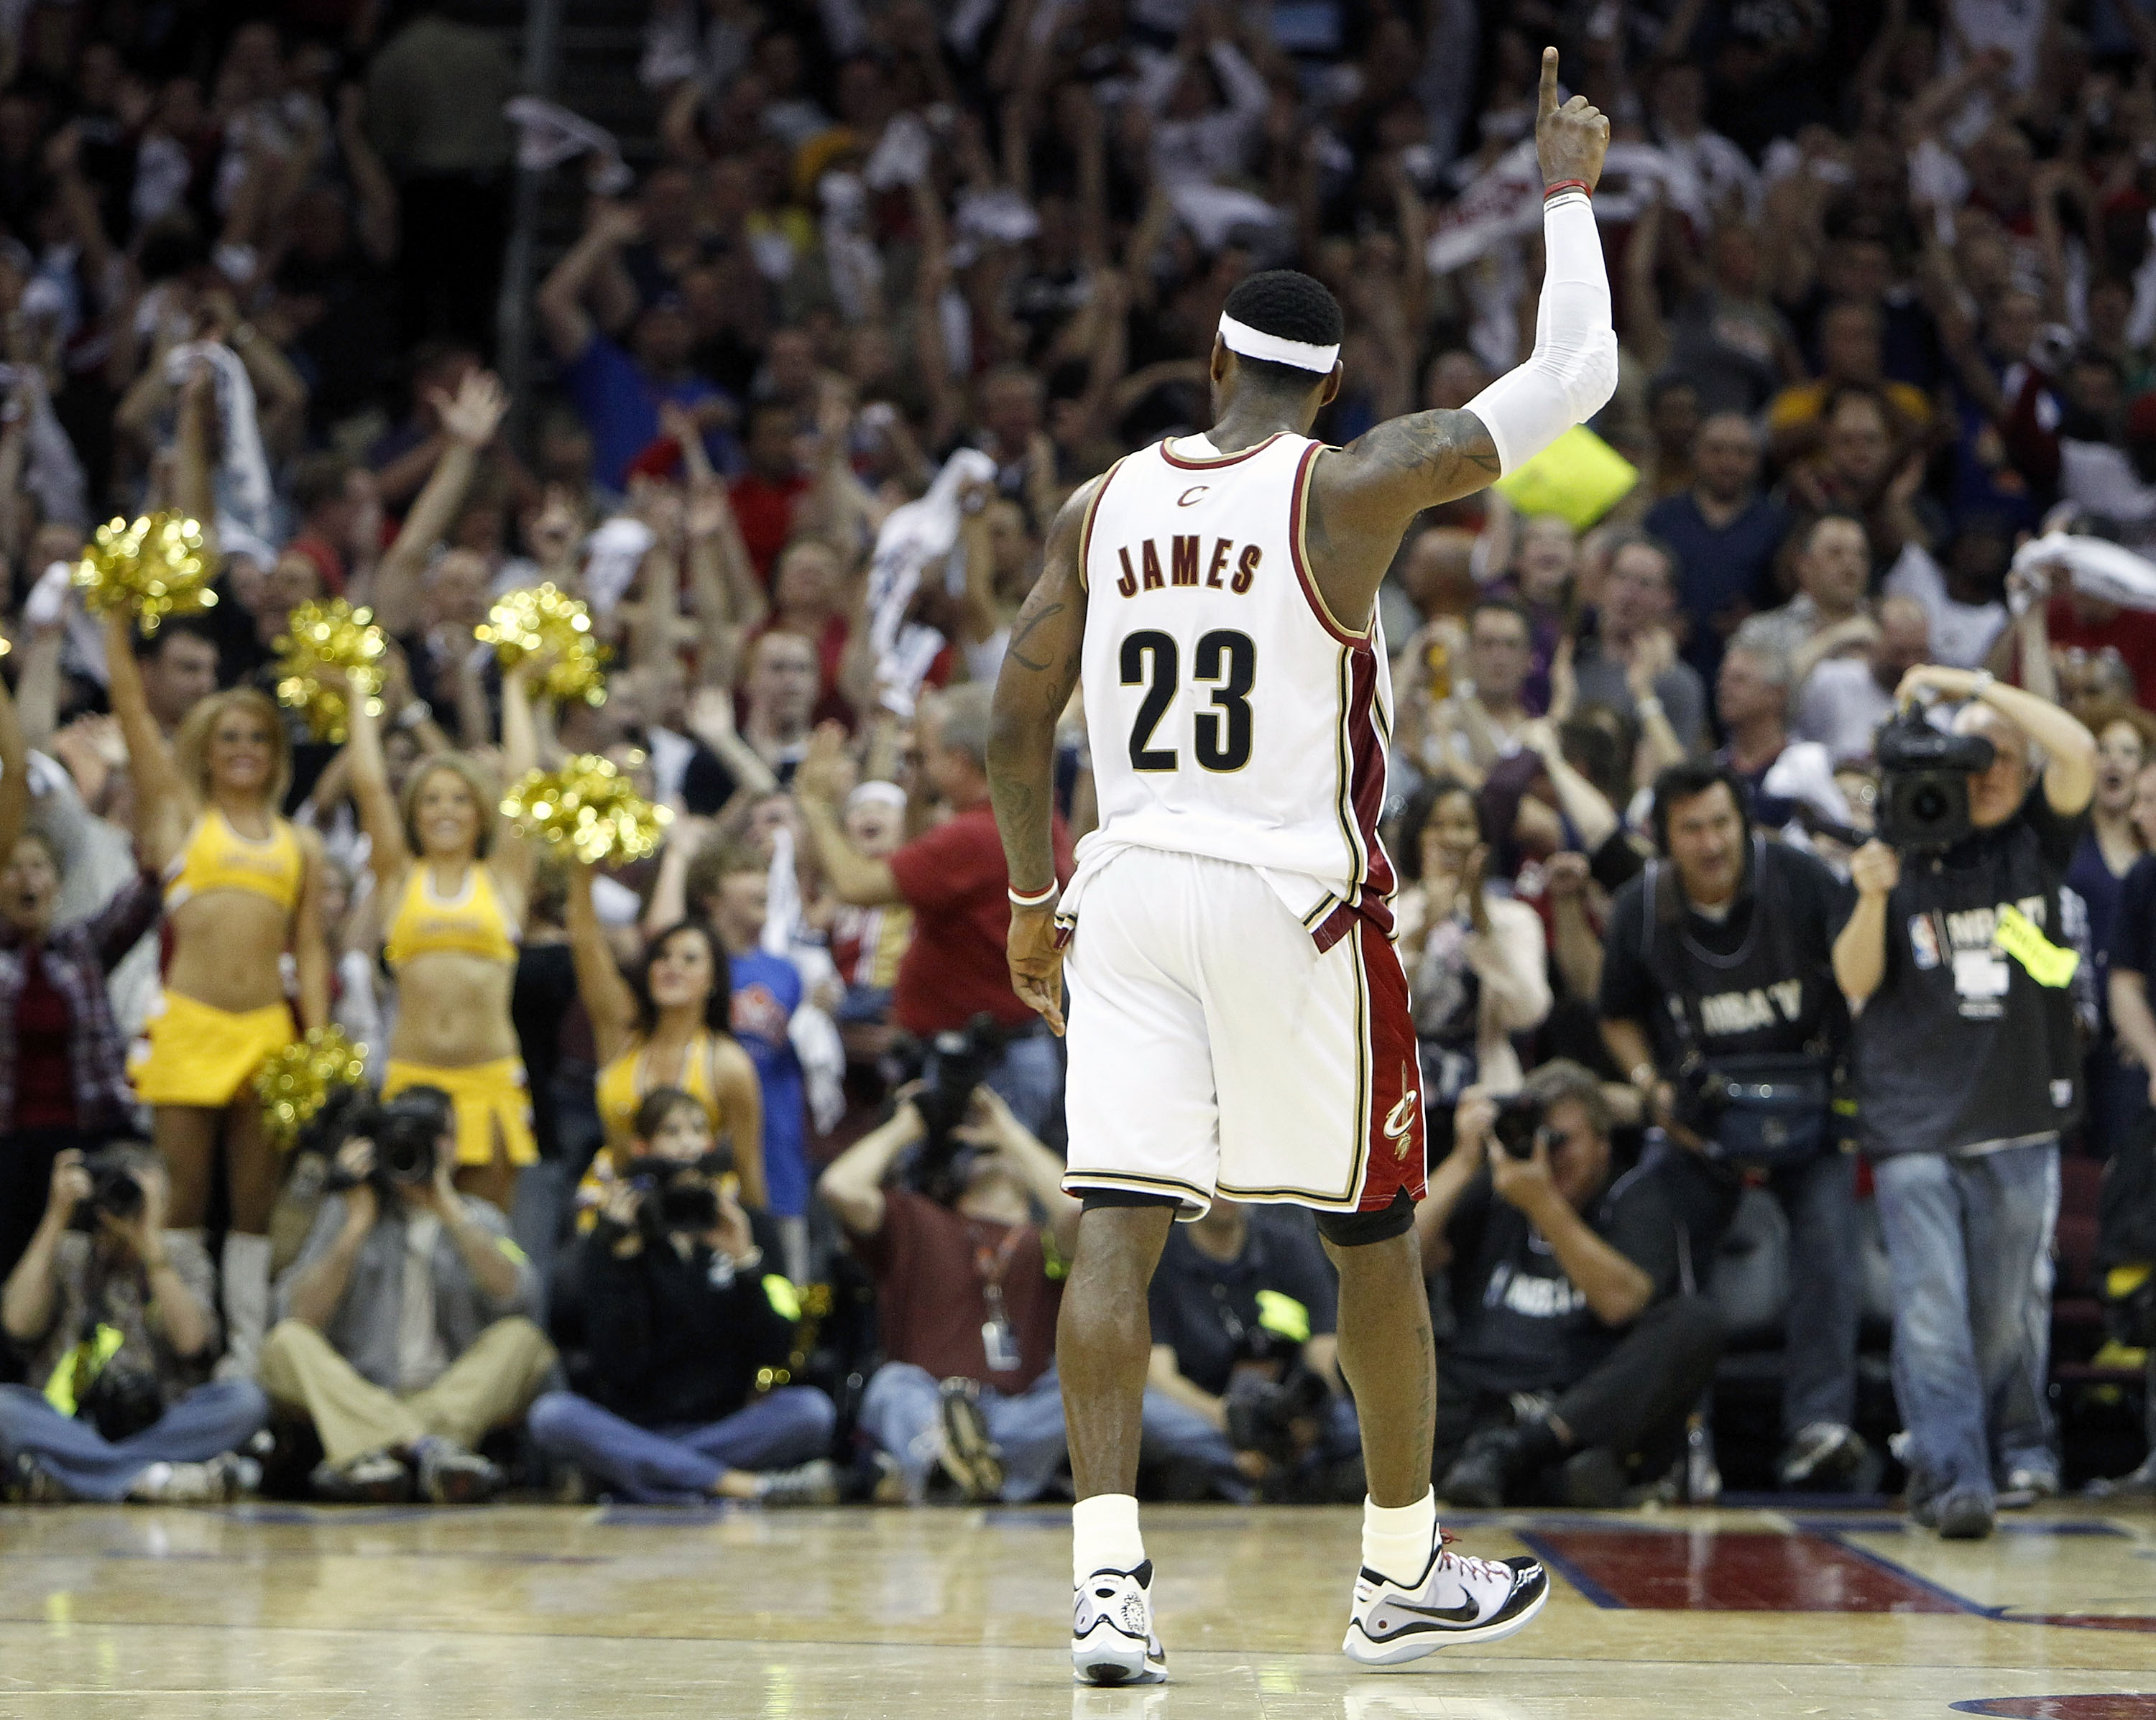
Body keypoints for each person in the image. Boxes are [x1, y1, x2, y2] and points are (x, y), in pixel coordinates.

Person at [985, 52, 1613, 1682]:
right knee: (1371, 1240)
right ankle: (1397, 1572)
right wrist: (1563, 191)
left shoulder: (1098, 502)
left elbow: (1010, 715)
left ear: (1208, 362)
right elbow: (1579, 372)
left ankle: (1107, 1589)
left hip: (1119, 893)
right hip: (1292, 902)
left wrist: (1029, 900)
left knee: (1111, 1231)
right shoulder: (1346, 489)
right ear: (1327, 391)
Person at [1833, 669, 2098, 1539]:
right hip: (1914, 1120)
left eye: (2002, 758)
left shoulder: (2038, 844)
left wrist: (1967, 685)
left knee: (1999, 1319)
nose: (1986, 773)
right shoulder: (1905, 836)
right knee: (1932, 1306)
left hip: (2018, 1117)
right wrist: (1872, 894)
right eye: (1970, 756)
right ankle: (1956, 1477)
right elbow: (1855, 983)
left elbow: (2082, 751)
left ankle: (1946, 1457)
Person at [1597, 760, 1861, 1487]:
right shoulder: (1640, 907)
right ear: (1663, 837)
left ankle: (1820, 1427)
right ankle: (1685, 1439)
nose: (1711, 843)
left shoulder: (1805, 881)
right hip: (1699, 1119)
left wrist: (1848, 1072)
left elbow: (1862, 980)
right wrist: (1650, 1086)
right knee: (1668, 1250)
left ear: (1742, 822)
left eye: (1721, 824)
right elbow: (1615, 1014)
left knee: (1829, 1244)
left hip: (1807, 1109)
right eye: (1692, 829)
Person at [106, 630, 331, 1382]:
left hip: (269, 1034)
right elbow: (136, 718)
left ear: (276, 753)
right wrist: (115, 618)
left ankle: (246, 1366)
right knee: (184, 1202)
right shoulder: (179, 819)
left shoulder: (298, 844)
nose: (243, 750)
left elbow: (313, 949)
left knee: (256, 1212)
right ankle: (186, 1358)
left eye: (258, 739)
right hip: (189, 1029)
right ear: (205, 749)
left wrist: (320, 1044)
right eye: (229, 736)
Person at [337, 565, 545, 1211]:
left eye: (460, 798)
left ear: (480, 814)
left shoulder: (504, 879)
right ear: (415, 814)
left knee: (485, 1237)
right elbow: (371, 788)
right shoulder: (399, 878)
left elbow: (523, 786)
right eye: (431, 800)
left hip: (490, 1082)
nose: (447, 810)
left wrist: (514, 683)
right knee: (405, 1236)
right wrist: (357, 697)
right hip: (412, 1078)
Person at [1420, 1063, 1720, 1508]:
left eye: (1561, 1141)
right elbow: (1402, 1260)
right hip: (1483, 1392)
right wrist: (1465, 1158)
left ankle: (1521, 1456)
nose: (1547, 1155)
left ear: (1602, 1146)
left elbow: (1621, 1303)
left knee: (1696, 1322)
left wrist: (1543, 1204)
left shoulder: (1634, 1196)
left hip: (1575, 1400)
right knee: (1380, 1332)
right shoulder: (1500, 1185)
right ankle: (1539, 1475)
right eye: (1535, 1136)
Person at [526, 1089, 837, 1505]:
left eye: (698, 1130)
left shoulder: (751, 1228)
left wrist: (746, 1264)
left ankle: (639, 1475)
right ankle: (732, 1484)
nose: (688, 1143)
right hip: (635, 1424)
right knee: (552, 1416)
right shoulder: (613, 1239)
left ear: (712, 1145)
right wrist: (622, 1262)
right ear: (643, 1148)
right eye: (671, 1132)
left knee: (812, 1411)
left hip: (727, 1424)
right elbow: (618, 1365)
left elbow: (777, 1351)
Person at [796, 687, 1072, 1139]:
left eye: (923, 754)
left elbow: (857, 886)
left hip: (984, 1063)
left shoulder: (975, 837)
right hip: (999, 1050)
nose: (913, 761)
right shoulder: (1024, 815)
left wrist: (815, 803)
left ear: (959, 760)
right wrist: (920, 782)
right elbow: (918, 861)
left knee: (973, 1202)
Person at [262, 1088, 556, 1504]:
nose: (429, 1150)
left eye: (442, 1137)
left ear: (454, 1148)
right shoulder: (348, 1211)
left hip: (449, 1395)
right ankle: (428, 1451)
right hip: (365, 1388)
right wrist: (355, 1228)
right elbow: (298, 1314)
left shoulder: (480, 1217)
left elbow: (521, 1298)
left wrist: (450, 1212)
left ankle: (373, 1449)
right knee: (285, 1342)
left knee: (523, 1339)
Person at [819, 1084, 1079, 1507]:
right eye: (983, 1154)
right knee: (891, 1385)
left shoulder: (1044, 1240)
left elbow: (1076, 1210)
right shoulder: (919, 1218)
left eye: (1003, 1156)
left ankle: (951, 1472)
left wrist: (1010, 1134)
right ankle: (958, 1464)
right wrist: (906, 1127)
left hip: (1018, 1409)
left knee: (1082, 1387)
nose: (995, 1159)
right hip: (932, 1400)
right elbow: (839, 1187)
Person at [0, 677, 162, 1290]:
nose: (26, 880)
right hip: (7, 1144)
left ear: (58, 881)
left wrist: (137, 779)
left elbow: (151, 883)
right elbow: (15, 773)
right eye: (12, 868)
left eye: (38, 866)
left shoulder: (84, 947)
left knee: (93, 1277)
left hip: (89, 1136)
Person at [0, 1148, 269, 1502]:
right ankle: (152, 1478)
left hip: (164, 1424)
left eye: (146, 1197)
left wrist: (151, 1247)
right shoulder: (69, 1251)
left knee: (245, 1401)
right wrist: (55, 1217)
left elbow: (191, 1343)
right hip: (70, 1422)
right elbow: (16, 1323)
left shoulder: (181, 1257)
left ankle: (76, 1476)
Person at [568, 863, 767, 1209]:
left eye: (689, 960)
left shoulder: (728, 1064)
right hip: (613, 1215)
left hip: (693, 1221)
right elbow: (586, 943)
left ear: (714, 981)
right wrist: (581, 865)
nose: (672, 967)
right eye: (662, 956)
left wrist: (757, 1253)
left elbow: (748, 1168)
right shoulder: (621, 1035)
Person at [1140, 1199, 1362, 1503]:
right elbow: (1159, 1374)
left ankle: (1245, 1476)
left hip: (1284, 1407)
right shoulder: (1160, 1255)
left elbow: (1324, 1351)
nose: (1224, 1193)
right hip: (1201, 1410)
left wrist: (1311, 1413)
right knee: (1147, 1413)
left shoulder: (1290, 1245)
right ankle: (1242, 1471)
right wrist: (1226, 1418)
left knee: (1354, 1419)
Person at [1391, 775, 1550, 1130]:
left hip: (1490, 1102)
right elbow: (1379, 1015)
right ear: (1416, 836)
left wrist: (1482, 927)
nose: (1450, 838)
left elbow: (1529, 1012)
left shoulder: (1514, 918)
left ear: (1482, 838)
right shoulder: (1391, 915)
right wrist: (1422, 932)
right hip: (1401, 1104)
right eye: (1436, 825)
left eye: (1463, 826)